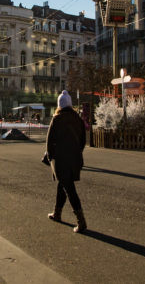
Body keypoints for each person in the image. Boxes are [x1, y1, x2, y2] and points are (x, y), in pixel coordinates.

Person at [46, 90, 87, 233]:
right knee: (62, 185)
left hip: (61, 159)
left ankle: (81, 222)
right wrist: (77, 153)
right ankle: (57, 213)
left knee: (69, 188)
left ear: (60, 105)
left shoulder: (57, 119)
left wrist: (51, 157)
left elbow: (49, 141)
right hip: (75, 158)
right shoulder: (78, 119)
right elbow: (83, 141)